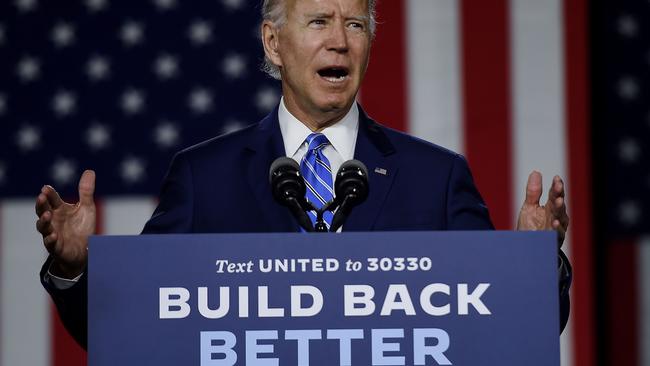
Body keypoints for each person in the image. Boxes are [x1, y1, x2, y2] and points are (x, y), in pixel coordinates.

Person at [35, 0, 572, 349]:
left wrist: (531, 269)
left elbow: (506, 332)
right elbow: (134, 330)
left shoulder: (436, 177)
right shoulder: (205, 176)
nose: (340, 41)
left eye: (355, 25)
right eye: (319, 21)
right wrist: (76, 270)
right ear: (273, 43)